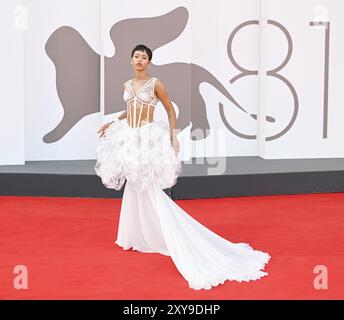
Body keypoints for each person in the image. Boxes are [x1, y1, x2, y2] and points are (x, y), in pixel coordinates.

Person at [95, 44, 271, 290]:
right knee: (134, 186)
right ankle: (134, 235)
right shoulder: (126, 85)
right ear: (130, 60)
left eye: (144, 57)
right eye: (136, 56)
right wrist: (112, 121)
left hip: (147, 138)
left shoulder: (156, 84)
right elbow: (129, 109)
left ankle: (169, 236)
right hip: (130, 137)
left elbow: (168, 109)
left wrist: (173, 137)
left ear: (149, 62)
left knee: (150, 188)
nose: (139, 60)